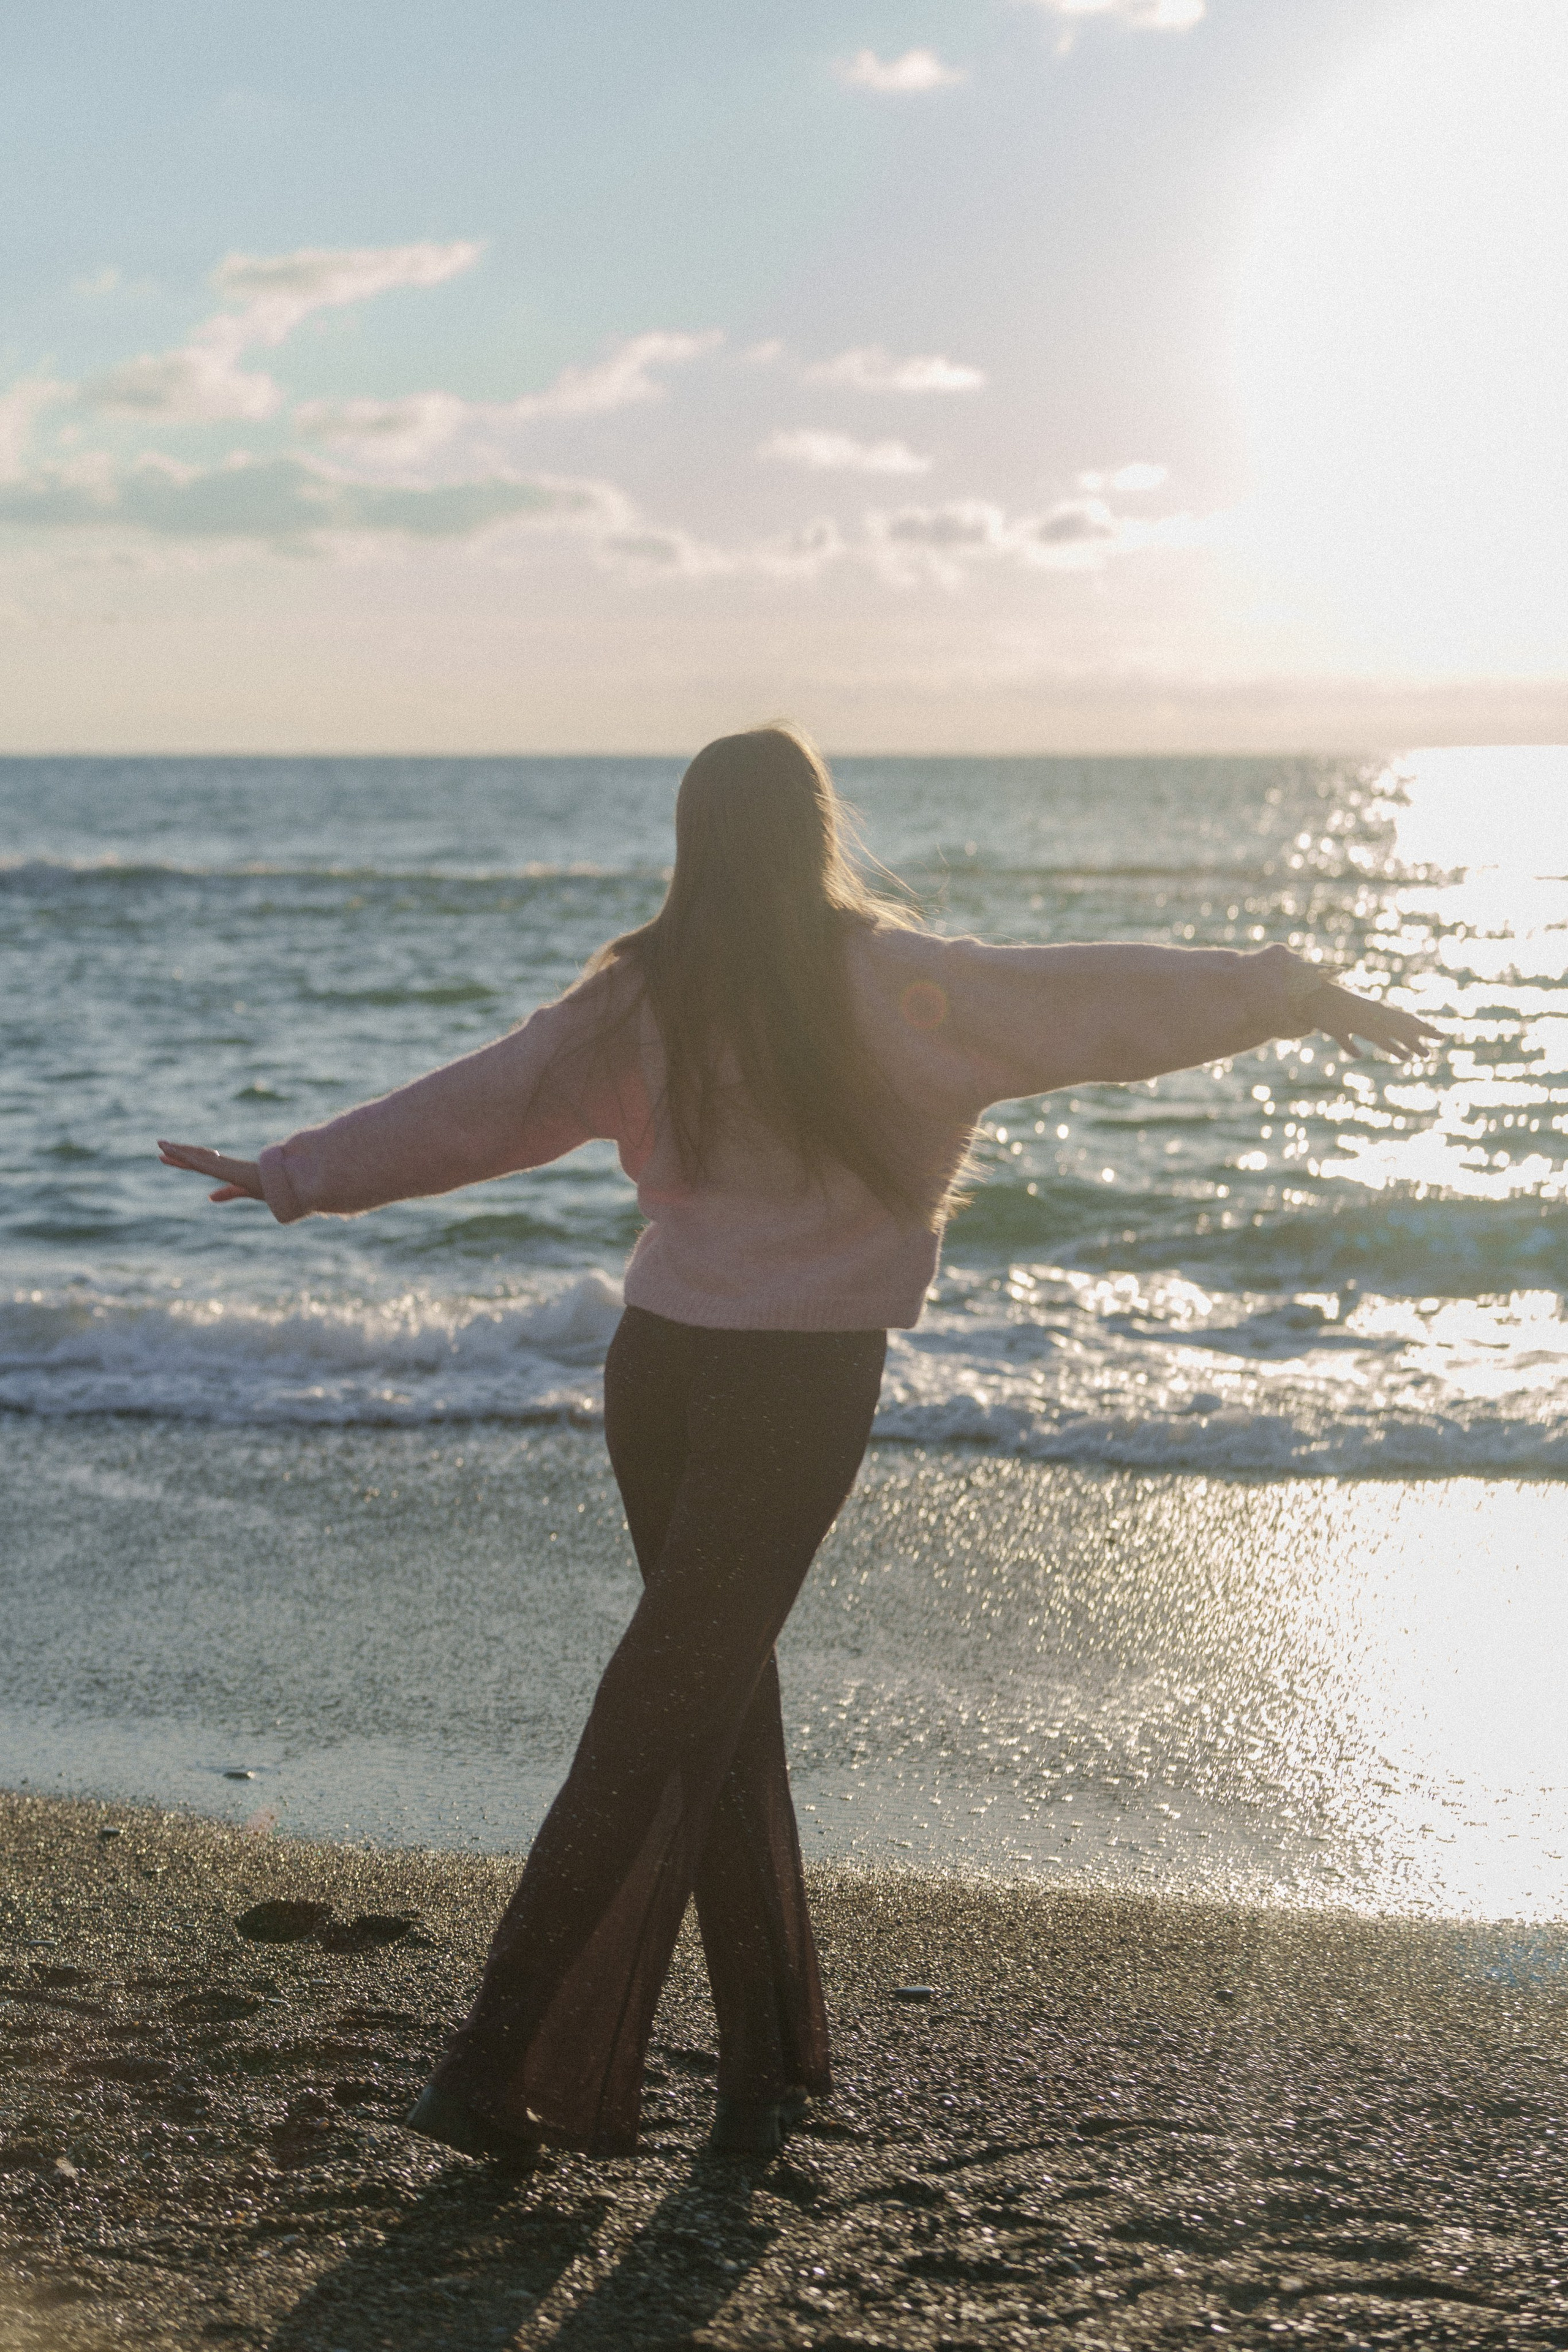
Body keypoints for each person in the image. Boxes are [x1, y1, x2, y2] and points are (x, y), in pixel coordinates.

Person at [159, 725, 1439, 2164]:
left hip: (657, 1375)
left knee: (708, 1691)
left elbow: (485, 1104)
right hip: (795, 1385)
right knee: (668, 1699)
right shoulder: (891, 986)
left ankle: (766, 2071)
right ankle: (488, 2056)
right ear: (813, 832)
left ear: (697, 840)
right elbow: (1090, 1003)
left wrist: (296, 1176)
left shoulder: (641, 995)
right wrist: (1281, 993)